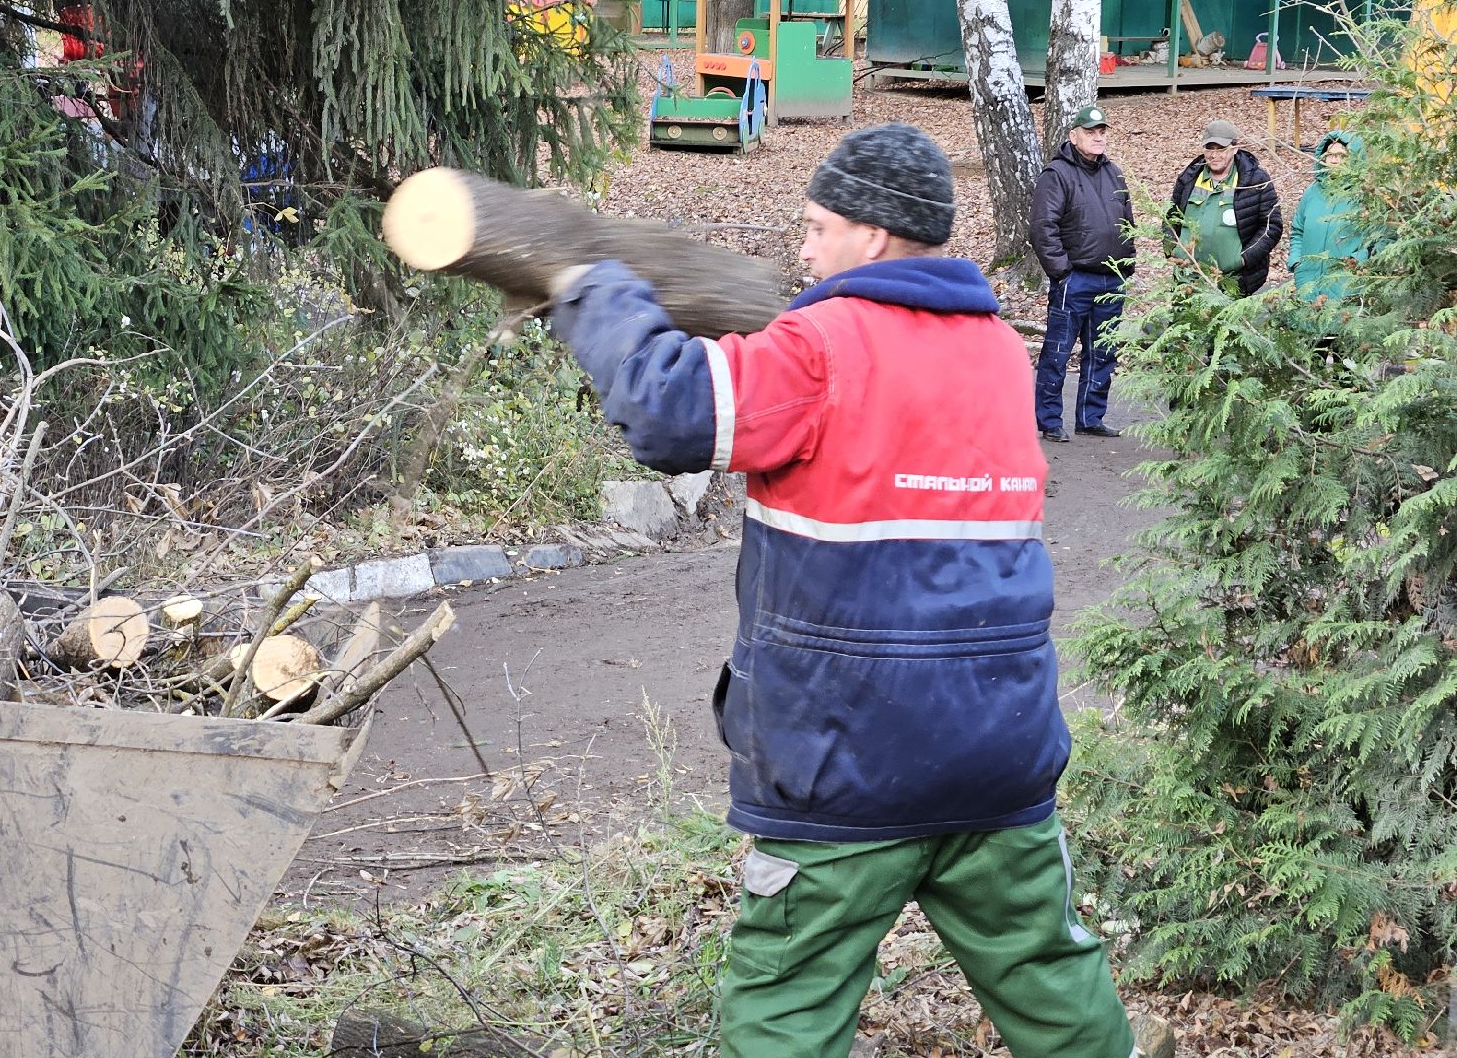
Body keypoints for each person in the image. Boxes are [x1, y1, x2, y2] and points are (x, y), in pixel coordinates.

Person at [546, 123, 1154, 1058]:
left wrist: (587, 283)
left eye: (816, 226)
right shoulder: (997, 351)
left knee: (784, 1019)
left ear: (872, 237)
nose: (803, 247)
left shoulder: (820, 345)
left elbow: (670, 411)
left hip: (846, 770)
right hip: (1002, 756)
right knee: (1055, 994)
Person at [1030, 103, 1135, 443]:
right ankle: (1049, 419)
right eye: (1091, 132)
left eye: (1102, 131)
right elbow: (1042, 228)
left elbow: (1128, 221)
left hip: (1111, 278)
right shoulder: (1057, 174)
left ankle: (1091, 417)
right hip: (1074, 279)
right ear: (1074, 136)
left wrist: (1127, 262)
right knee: (1058, 351)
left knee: (1103, 351)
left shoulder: (1114, 173)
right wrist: (1062, 272)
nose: (1098, 137)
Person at [1168, 119, 1283, 294]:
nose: (1214, 155)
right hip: (1188, 278)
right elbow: (1170, 217)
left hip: (1234, 280)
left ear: (1235, 148)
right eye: (1209, 149)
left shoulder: (1254, 180)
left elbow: (1271, 226)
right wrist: (1172, 249)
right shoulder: (1189, 177)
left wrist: (1244, 259)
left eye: (1221, 149)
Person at [1289, 130, 1370, 304]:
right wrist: (1296, 262)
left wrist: (1357, 262)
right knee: (1306, 325)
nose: (1334, 160)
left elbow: (1379, 240)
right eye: (1330, 155)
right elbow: (1297, 230)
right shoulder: (1311, 193)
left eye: (1341, 155)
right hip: (1307, 282)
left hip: (1345, 284)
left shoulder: (1364, 195)